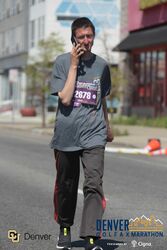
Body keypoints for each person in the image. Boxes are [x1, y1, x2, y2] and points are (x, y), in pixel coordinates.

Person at [50, 17, 113, 250]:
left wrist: (107, 125)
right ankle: (65, 227)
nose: (86, 41)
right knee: (67, 184)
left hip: (94, 134)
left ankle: (91, 236)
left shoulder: (102, 66)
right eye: (81, 37)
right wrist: (75, 65)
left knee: (94, 183)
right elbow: (65, 98)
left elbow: (101, 98)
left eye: (89, 36)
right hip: (67, 135)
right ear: (73, 39)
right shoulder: (62, 63)